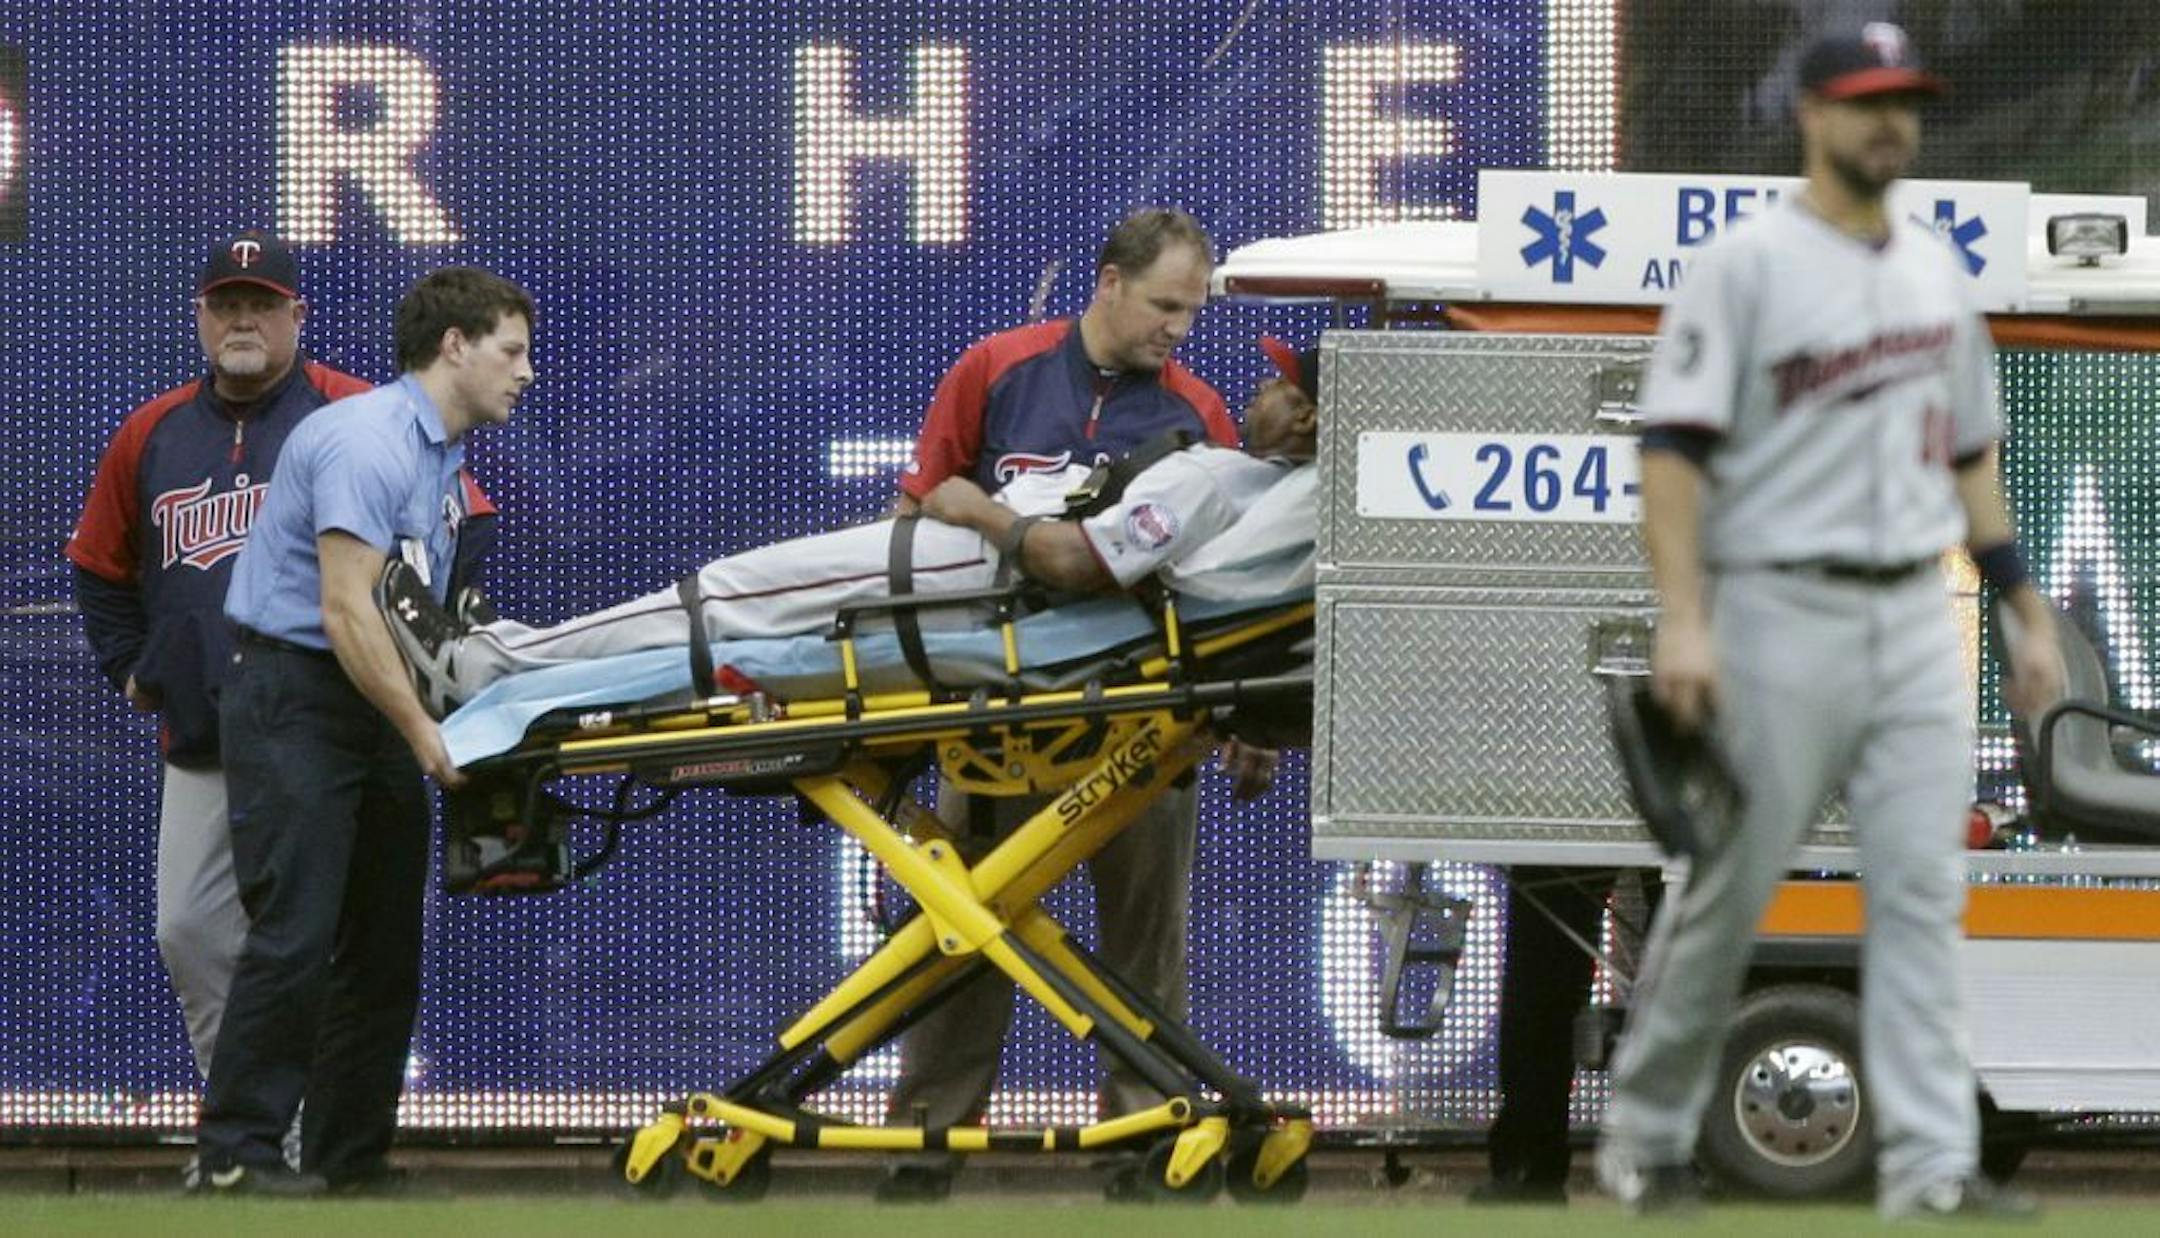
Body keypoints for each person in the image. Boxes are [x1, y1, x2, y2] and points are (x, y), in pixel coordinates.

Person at [1592, 25, 2062, 1221]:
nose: (1889, 123)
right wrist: (1685, 620)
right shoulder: (1744, 266)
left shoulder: (1933, 273)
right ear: (1809, 114)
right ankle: (1642, 1138)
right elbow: (1673, 454)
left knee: (1921, 893)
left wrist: (2020, 603)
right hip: (1776, 603)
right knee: (1730, 886)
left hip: (1912, 611)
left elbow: (1970, 456)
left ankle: (1930, 1167)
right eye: (1866, 102)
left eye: (1904, 101)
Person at [882, 206, 1257, 1203]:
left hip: (1138, 719)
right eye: (1166, 304)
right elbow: (912, 516)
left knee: (1144, 945)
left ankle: (1144, 1138)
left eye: (1193, 309)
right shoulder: (997, 367)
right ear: (1108, 281)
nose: (1180, 326)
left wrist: (1243, 726)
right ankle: (925, 1141)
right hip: (990, 709)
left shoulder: (1198, 410)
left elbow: (1229, 582)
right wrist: (911, 686)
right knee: (961, 928)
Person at [377, 358, 1319, 710]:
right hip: (979, 589)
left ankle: (489, 667)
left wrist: (967, 502)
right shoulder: (1277, 497)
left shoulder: (1220, 475)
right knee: (723, 611)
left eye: (1288, 381)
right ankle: (510, 660)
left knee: (718, 607)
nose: (1264, 387)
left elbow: (1077, 559)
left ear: (1314, 417)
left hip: (974, 583)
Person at [191, 266, 535, 1197]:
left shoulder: (441, 460)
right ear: (454, 346)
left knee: (382, 944)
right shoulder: (365, 442)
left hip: (369, 704)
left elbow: (408, 617)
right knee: (294, 933)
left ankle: (347, 1162)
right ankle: (233, 1154)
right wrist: (425, 736)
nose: (526, 372)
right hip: (296, 695)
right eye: (512, 350)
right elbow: (346, 612)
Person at [66, 232, 371, 1094]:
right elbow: (96, 564)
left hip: (326, 731)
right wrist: (130, 664)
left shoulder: (352, 414)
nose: (244, 320)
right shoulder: (151, 431)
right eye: (227, 304)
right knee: (191, 930)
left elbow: (458, 520)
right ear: (199, 317)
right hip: (203, 731)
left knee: (319, 935)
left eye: (262, 304)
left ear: (296, 316)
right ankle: (248, 1115)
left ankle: (300, 1131)